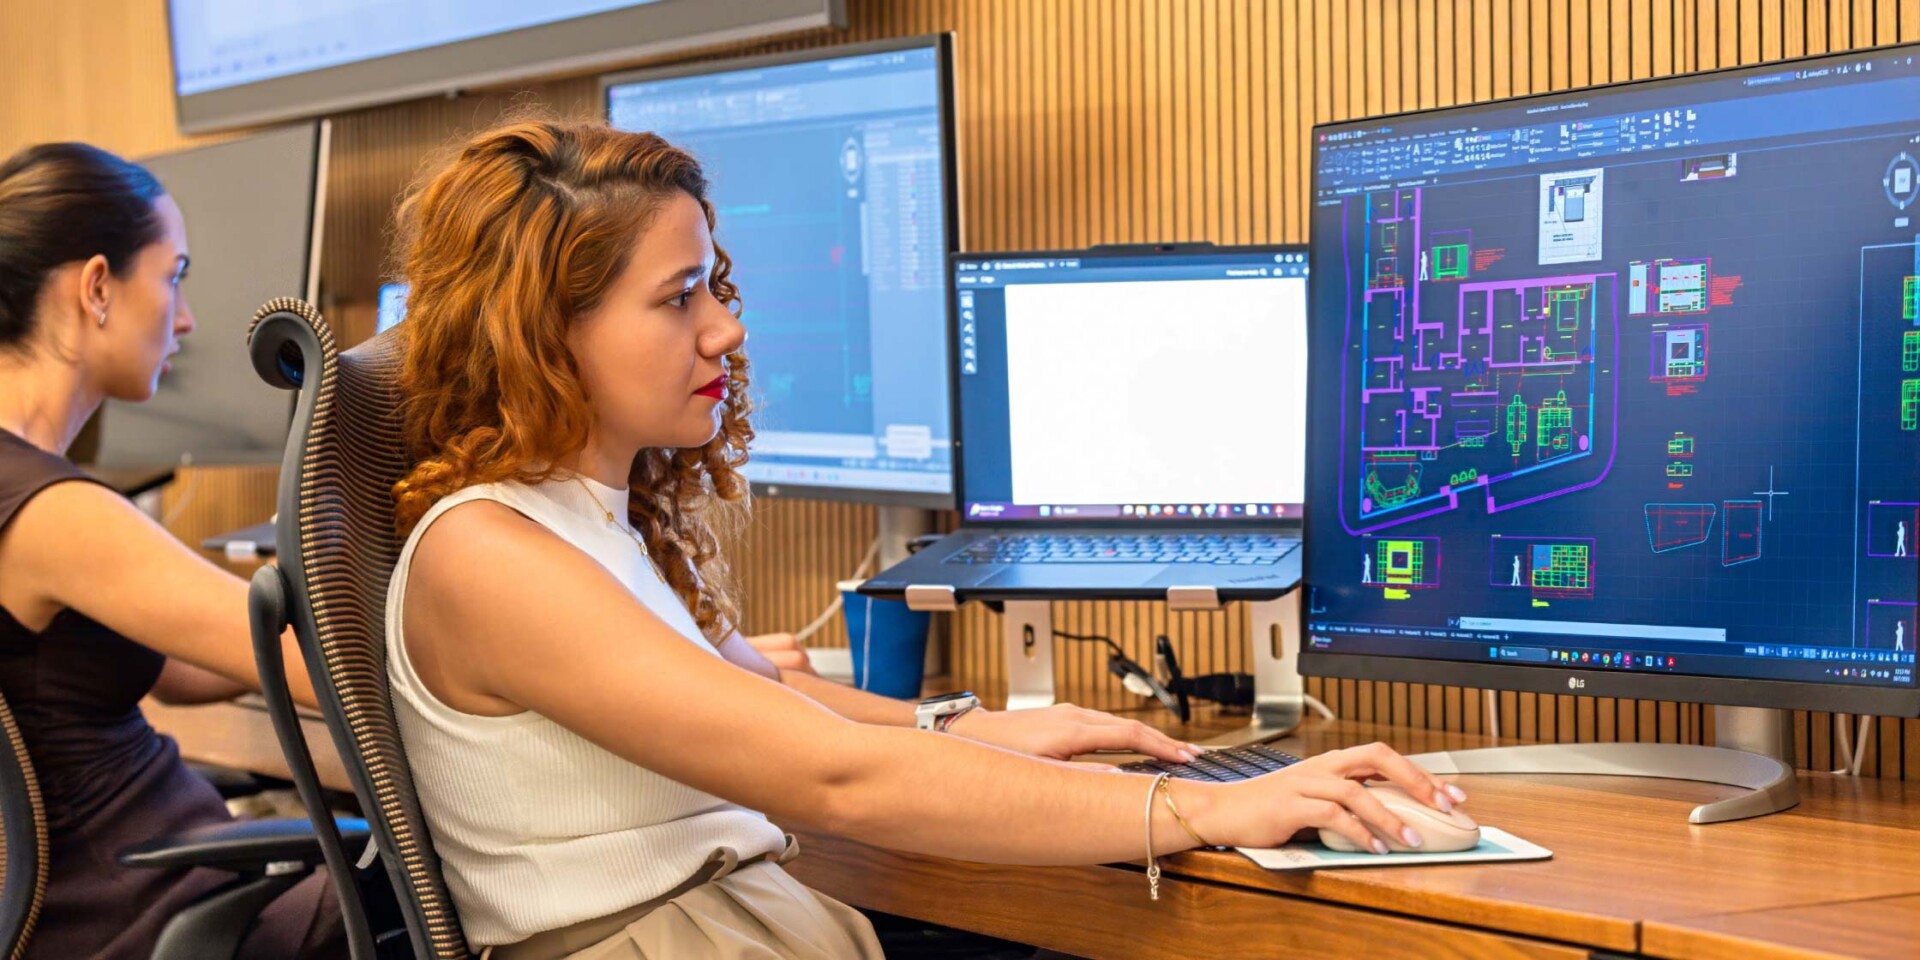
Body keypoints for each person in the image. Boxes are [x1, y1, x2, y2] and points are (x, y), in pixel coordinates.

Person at [389, 119, 1465, 959]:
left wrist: (966, 726)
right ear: (540, 337)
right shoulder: (492, 559)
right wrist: (1198, 807)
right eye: (678, 299)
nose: (725, 328)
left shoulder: (590, 525)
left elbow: (771, 701)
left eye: (715, 286)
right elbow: (835, 780)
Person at [0, 142, 342, 958]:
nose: (184, 318)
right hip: (153, 916)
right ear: (96, 289)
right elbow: (320, 666)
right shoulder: (56, 513)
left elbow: (180, 671)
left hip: (103, 902)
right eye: (173, 274)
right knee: (471, 880)